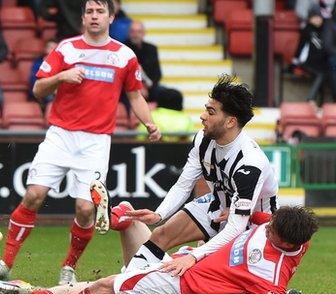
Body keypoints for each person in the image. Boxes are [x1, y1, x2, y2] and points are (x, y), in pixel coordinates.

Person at [0, 0, 160, 285]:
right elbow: (38, 89)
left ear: (110, 18)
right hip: (60, 136)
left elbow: (134, 95)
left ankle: (68, 267)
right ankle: (6, 263)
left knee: (86, 208)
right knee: (34, 195)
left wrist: (150, 123)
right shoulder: (66, 49)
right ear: (82, 18)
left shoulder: (125, 55)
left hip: (95, 142)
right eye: (89, 11)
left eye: (99, 11)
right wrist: (61, 78)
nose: (94, 15)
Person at [0, 206, 320, 294]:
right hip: (185, 266)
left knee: (106, 287)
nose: (267, 223)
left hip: (182, 285)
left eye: (272, 226)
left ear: (283, 240)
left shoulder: (273, 267)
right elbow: (262, 218)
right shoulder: (285, 231)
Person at [95, 75, 278, 281]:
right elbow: (184, 185)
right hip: (218, 206)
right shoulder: (203, 139)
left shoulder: (250, 164)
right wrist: (159, 214)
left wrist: (194, 256)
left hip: (253, 225)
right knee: (161, 234)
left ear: (230, 121)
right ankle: (122, 289)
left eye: (210, 112)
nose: (202, 116)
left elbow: (237, 225)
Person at [125, 20, 183, 105]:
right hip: (130, 87)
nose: (135, 35)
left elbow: (157, 74)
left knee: (171, 96)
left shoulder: (152, 49)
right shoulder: (124, 49)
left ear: (144, 33)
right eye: (133, 31)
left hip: (150, 86)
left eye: (138, 32)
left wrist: (147, 87)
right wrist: (139, 87)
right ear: (129, 33)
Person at [28, 38, 57, 103]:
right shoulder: (38, 63)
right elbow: (33, 81)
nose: (52, 50)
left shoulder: (60, 63)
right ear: (45, 49)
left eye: (54, 48)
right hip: (42, 90)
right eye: (50, 47)